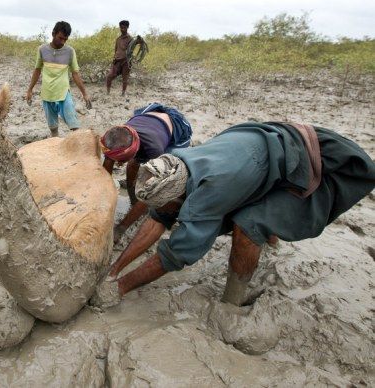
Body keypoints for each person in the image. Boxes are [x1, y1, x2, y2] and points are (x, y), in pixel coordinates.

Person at [104, 122, 375, 306]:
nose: (164, 214)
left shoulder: (208, 192)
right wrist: (115, 270)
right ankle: (270, 237)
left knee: (247, 225)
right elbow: (157, 219)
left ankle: (231, 304)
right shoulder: (179, 161)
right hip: (268, 153)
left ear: (178, 198)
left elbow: (176, 253)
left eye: (167, 208)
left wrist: (119, 288)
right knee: (249, 199)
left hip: (322, 162)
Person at [101, 103, 192, 242]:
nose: (118, 164)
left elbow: (151, 192)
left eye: (120, 161)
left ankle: (131, 215)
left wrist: (120, 228)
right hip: (149, 118)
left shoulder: (154, 149)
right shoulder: (115, 138)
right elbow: (105, 172)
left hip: (174, 132)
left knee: (156, 185)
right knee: (132, 166)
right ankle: (132, 196)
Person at [26, 21, 92, 137]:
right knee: (53, 128)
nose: (63, 42)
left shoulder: (70, 52)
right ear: (53, 33)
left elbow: (75, 74)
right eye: (60, 38)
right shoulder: (42, 50)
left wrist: (85, 94)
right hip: (47, 94)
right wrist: (29, 90)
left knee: (74, 125)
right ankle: (55, 146)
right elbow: (37, 70)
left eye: (65, 39)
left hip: (63, 93)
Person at [106, 20, 132, 96]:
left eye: (124, 28)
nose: (122, 29)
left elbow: (132, 50)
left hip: (126, 62)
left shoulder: (130, 39)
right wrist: (114, 58)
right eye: (121, 28)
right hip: (117, 61)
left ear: (127, 27)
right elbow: (116, 50)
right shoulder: (118, 39)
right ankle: (108, 92)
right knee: (109, 76)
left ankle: (123, 93)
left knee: (125, 79)